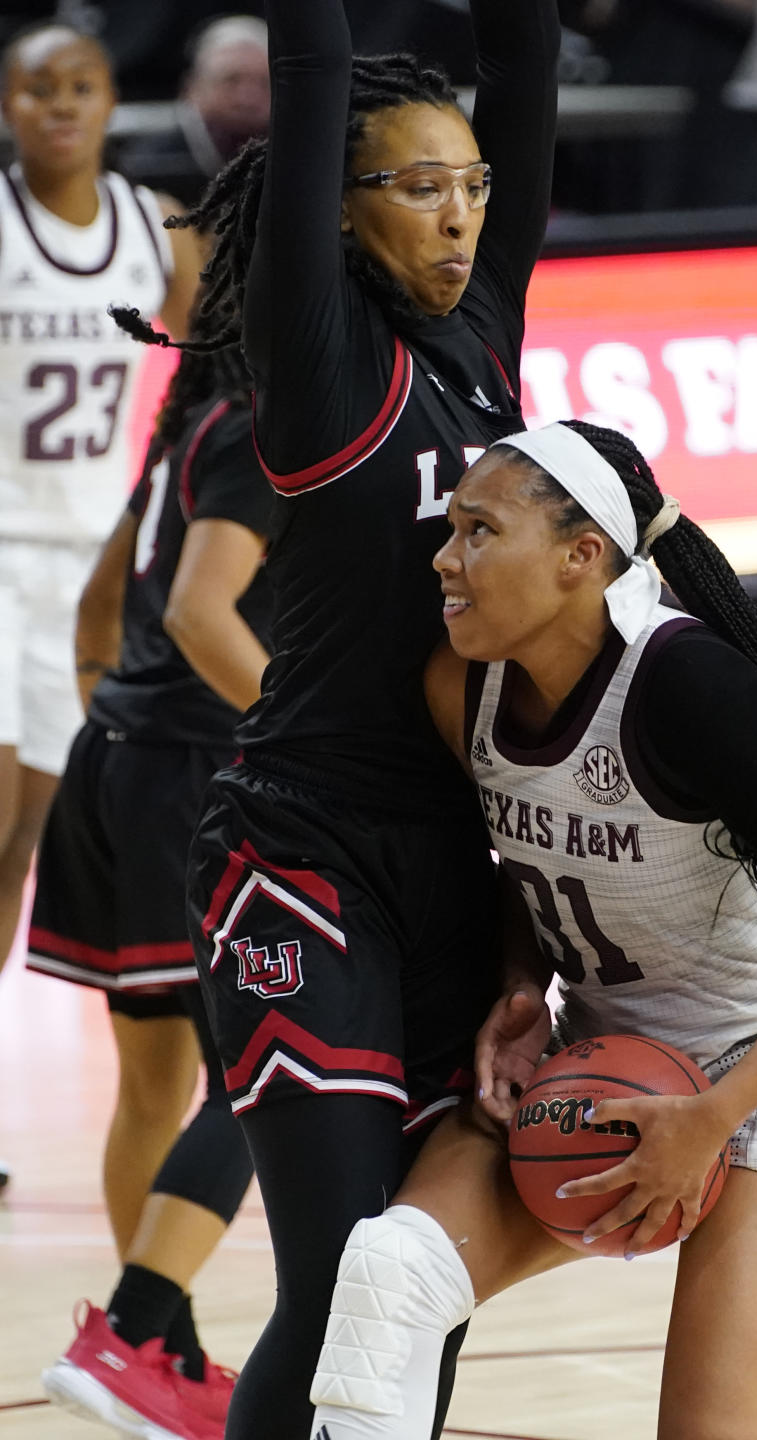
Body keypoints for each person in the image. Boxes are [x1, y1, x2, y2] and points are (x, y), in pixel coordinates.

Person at [308, 419, 757, 1440]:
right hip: (607, 1051)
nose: (444, 557)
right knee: (391, 1273)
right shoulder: (461, 683)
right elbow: (527, 861)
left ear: (580, 557)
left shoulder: (694, 690)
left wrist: (717, 1113)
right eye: (451, 528)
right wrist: (519, 987)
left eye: (478, 531)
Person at [132, 3, 558, 1438]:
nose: (457, 217)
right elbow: (313, 65)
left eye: (473, 186)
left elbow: (526, 67)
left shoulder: (483, 338)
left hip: (457, 861)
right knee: (336, 1285)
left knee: (412, 1282)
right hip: (302, 862)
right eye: (418, 187)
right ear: (341, 215)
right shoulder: (323, 365)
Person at [29, 309, 273, 1440]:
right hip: (188, 775)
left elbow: (96, 606)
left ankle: (161, 1347)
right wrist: (305, 733)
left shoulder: (195, 424)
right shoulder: (265, 429)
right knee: (261, 1076)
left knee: (153, 1088)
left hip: (121, 758)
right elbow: (200, 608)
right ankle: (134, 1335)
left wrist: (114, 712)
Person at [0, 22, 200, 984]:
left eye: (81, 86)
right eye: (41, 89)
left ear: (112, 101)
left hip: (89, 568)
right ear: (10, 106)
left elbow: (223, 369)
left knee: (22, 845)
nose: (63, 105)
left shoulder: (152, 224)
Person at [119, 16, 270, 209]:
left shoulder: (302, 162)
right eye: (231, 81)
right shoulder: (144, 164)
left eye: (264, 84)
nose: (248, 98)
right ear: (192, 88)